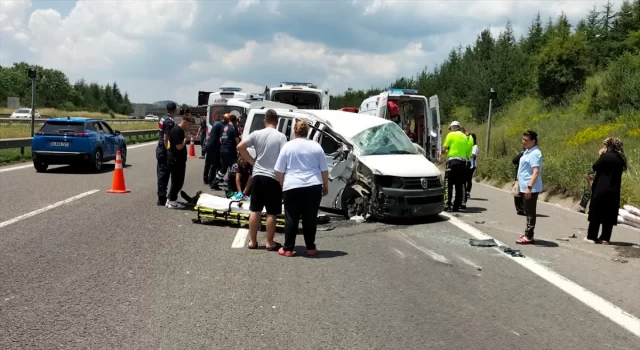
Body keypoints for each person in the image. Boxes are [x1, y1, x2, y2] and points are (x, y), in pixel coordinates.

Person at [274, 120, 329, 257]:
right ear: (308, 131)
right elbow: (324, 169)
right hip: (313, 185)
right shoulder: (316, 147)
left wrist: (282, 183)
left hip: (292, 185)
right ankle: (310, 247)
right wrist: (325, 185)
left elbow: (279, 170)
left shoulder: (288, 146)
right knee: (310, 217)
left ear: (295, 131)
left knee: (291, 217)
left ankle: (288, 249)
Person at [237, 109, 287, 251]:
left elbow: (240, 147)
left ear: (265, 121)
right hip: (273, 177)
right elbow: (284, 157)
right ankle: (269, 242)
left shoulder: (257, 134)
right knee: (272, 212)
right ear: (277, 122)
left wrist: (252, 161)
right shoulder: (281, 137)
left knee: (255, 210)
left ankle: (252, 241)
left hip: (258, 176)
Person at [585, 137, 627, 244]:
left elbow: (595, 167)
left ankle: (592, 236)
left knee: (596, 212)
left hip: (601, 188)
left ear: (609, 146)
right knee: (609, 213)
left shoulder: (605, 156)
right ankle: (605, 238)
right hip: (614, 190)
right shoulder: (621, 159)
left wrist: (601, 156)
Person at [515, 130, 543, 245]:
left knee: (530, 212)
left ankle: (529, 236)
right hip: (524, 186)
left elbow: (535, 172)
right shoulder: (527, 152)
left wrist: (529, 187)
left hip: (531, 187)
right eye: (523, 139)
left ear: (533, 141)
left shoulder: (535, 153)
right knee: (527, 211)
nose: (524, 142)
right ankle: (527, 233)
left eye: (526, 140)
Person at [442, 121, 472, 212]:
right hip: (463, 163)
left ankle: (447, 204)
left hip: (452, 162)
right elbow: (468, 150)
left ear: (452, 127)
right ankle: (456, 206)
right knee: (459, 185)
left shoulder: (451, 135)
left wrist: (445, 152)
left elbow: (444, 149)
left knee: (448, 184)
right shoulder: (465, 136)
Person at [166, 115, 195, 209]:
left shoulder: (180, 130)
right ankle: (173, 201)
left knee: (176, 181)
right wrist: (185, 139)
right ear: (185, 122)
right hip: (176, 160)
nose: (189, 127)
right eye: (189, 125)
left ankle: (170, 199)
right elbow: (179, 147)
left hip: (177, 160)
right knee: (178, 181)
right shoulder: (177, 131)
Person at [156, 102, 177, 206]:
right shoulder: (169, 121)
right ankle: (162, 197)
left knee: (161, 172)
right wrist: (169, 150)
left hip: (160, 148)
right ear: (174, 110)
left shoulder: (163, 118)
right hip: (164, 149)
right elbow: (166, 139)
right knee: (164, 173)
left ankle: (161, 196)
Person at [211, 114, 241, 189]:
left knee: (223, 168)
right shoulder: (234, 128)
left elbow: (220, 140)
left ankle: (214, 183)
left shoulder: (224, 127)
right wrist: (239, 151)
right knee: (234, 168)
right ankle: (231, 186)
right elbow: (237, 141)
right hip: (231, 151)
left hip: (223, 150)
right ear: (234, 121)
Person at [204, 113, 224, 189]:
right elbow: (221, 138)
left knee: (208, 163)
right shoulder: (221, 126)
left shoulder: (215, 124)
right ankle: (211, 181)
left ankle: (206, 179)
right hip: (214, 146)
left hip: (209, 145)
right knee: (214, 164)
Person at [512, 149, 526, 215]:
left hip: (523, 177)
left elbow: (514, 161)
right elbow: (514, 161)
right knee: (518, 192)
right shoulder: (523, 154)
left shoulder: (523, 154)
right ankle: (521, 208)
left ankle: (521, 208)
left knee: (520, 193)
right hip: (521, 177)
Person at [466, 133, 478, 199]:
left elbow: (472, 155)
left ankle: (468, 192)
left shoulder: (475, 146)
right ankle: (465, 191)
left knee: (468, 178)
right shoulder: (468, 146)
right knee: (465, 178)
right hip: (467, 164)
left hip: (472, 165)